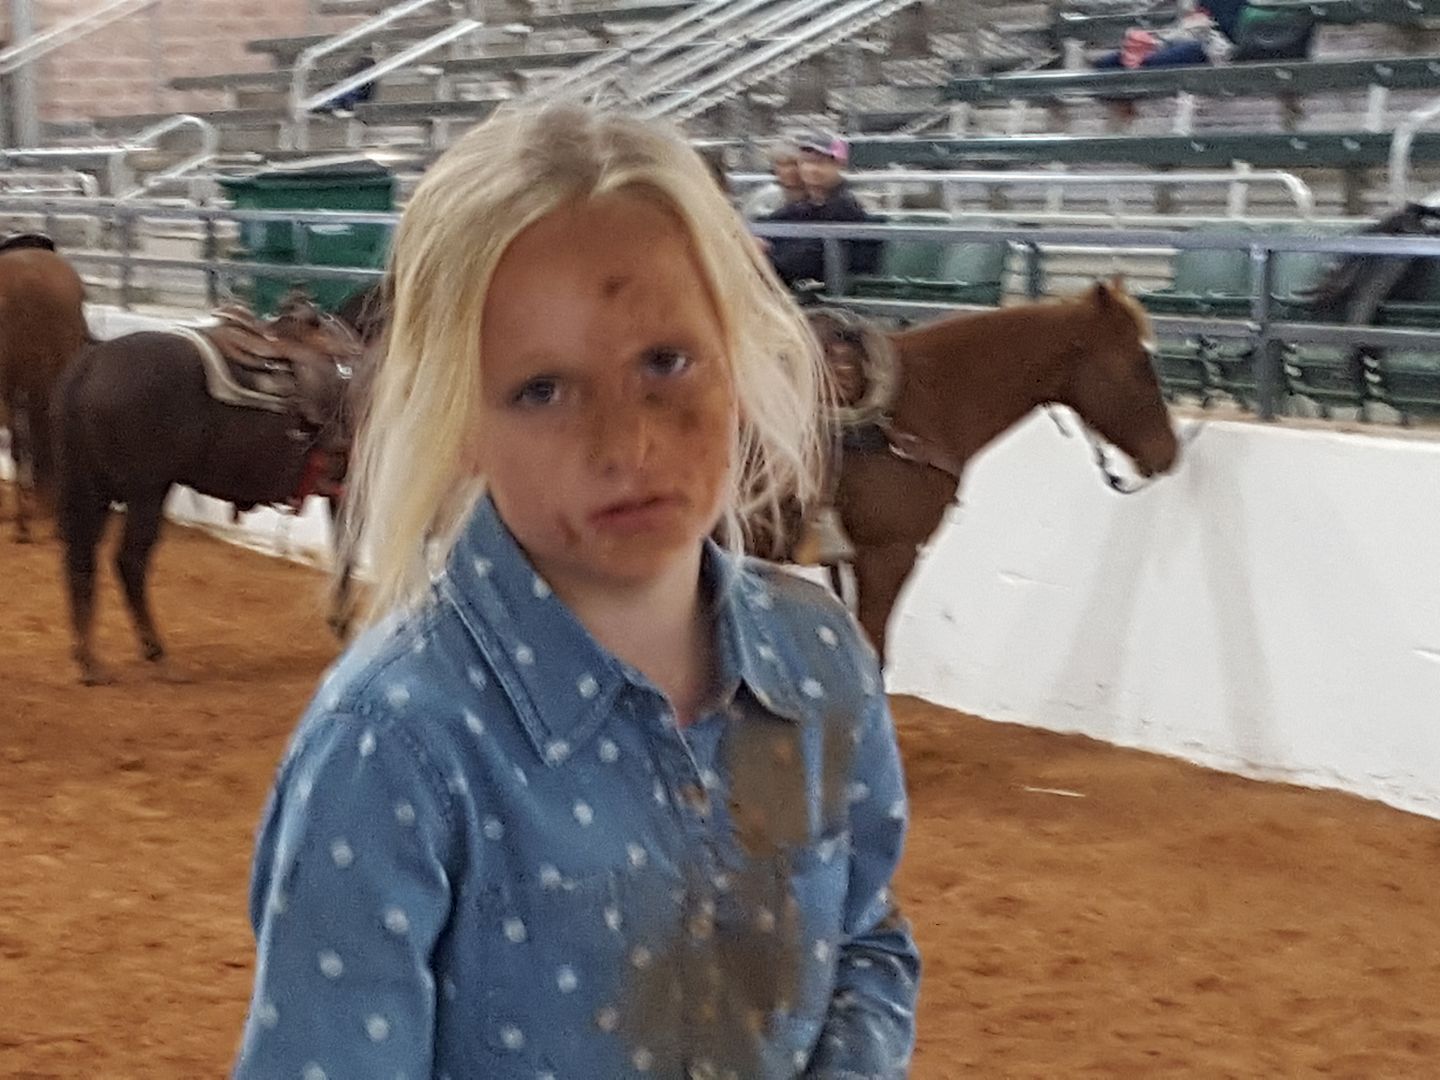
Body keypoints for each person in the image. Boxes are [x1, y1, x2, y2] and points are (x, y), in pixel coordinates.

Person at [232, 101, 920, 1079]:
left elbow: (859, 940)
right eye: (542, 390)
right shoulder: (393, 751)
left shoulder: (812, 663)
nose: (626, 446)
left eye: (667, 363)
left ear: (744, 352)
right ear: (459, 417)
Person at [764, 136, 883, 290]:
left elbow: (812, 255)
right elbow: (776, 223)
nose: (812, 169)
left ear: (839, 165)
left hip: (843, 291)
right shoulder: (804, 204)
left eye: (821, 163)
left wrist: (769, 253)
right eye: (806, 162)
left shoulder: (848, 204)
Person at [743, 140, 807, 218]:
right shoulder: (764, 198)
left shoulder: (818, 198)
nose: (788, 171)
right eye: (781, 165)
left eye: (793, 164)